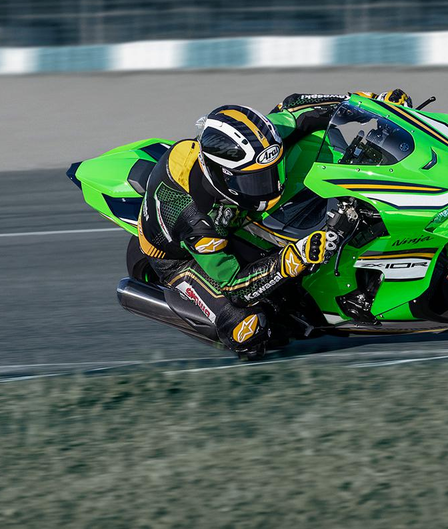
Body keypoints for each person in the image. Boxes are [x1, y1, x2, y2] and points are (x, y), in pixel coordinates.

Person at [136, 90, 413, 357]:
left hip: (235, 217)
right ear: (221, 175)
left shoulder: (261, 142)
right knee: (248, 329)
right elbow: (236, 286)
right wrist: (293, 259)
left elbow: (296, 107)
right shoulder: (198, 220)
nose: (268, 185)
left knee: (314, 143)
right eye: (254, 180)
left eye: (271, 173)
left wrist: (373, 103)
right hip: (180, 259)